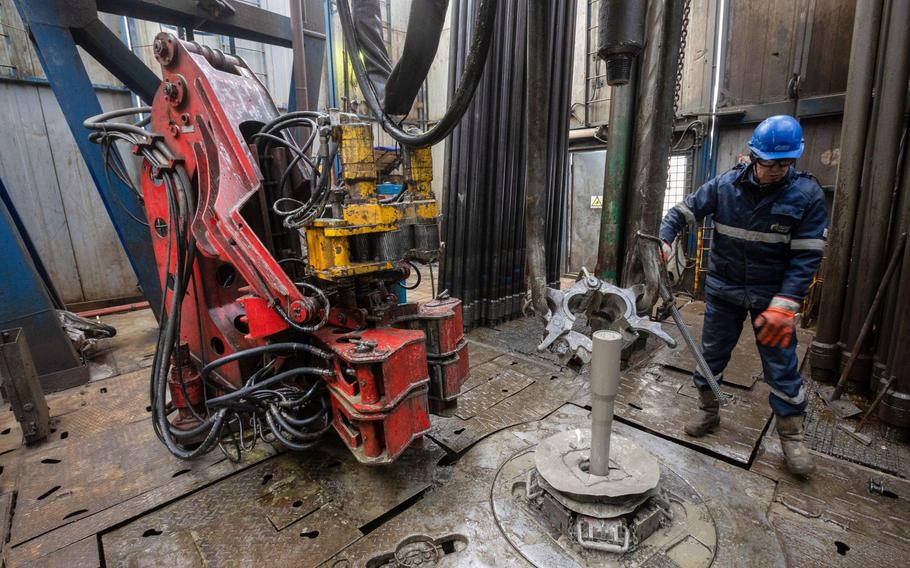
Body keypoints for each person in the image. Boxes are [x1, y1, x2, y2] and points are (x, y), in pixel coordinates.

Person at [659, 115, 827, 476]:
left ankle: (791, 438)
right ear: (754, 156)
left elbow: (806, 256)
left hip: (773, 297)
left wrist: (786, 304)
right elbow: (681, 212)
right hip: (724, 290)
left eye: (785, 163)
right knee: (712, 355)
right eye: (770, 163)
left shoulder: (806, 196)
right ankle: (708, 410)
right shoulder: (724, 187)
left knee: (781, 365)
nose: (777, 171)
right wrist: (664, 237)